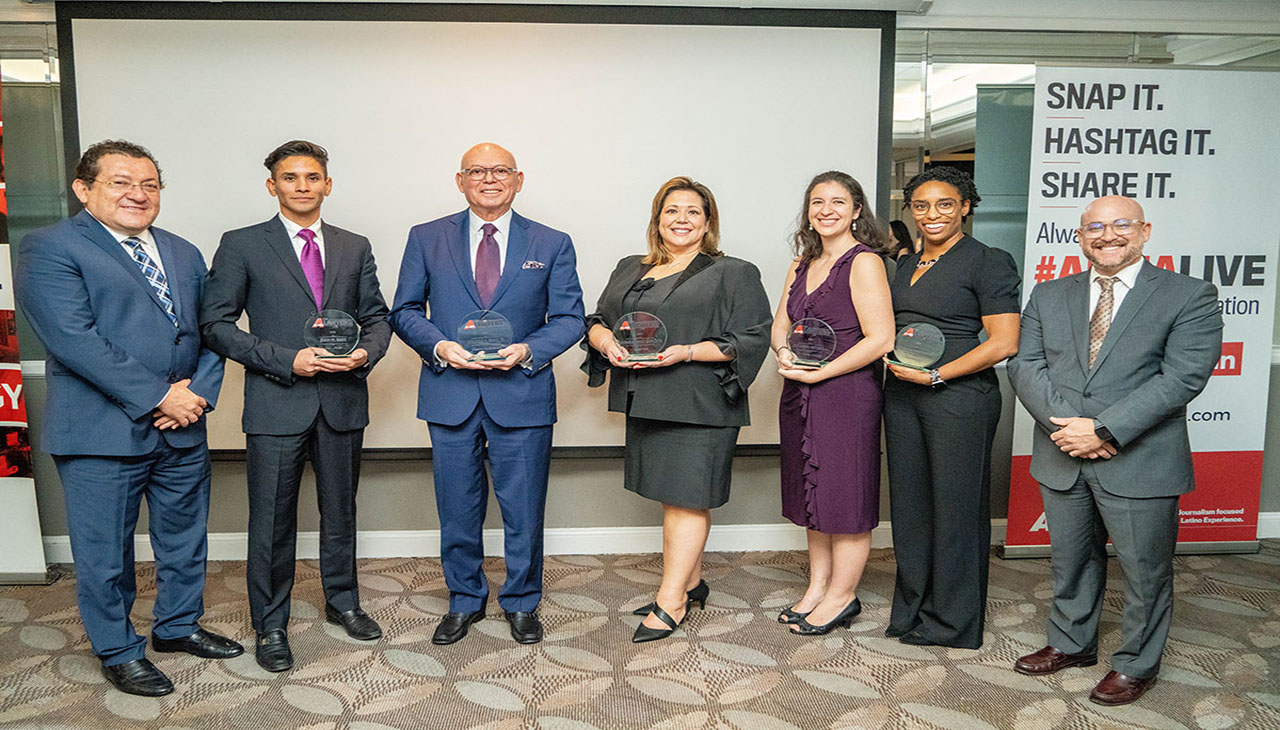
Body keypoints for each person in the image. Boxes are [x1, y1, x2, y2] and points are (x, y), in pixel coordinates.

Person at [15, 140, 240, 696]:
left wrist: (200, 395)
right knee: (105, 554)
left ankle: (178, 626)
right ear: (83, 189)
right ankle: (118, 650)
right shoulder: (49, 247)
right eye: (120, 182)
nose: (137, 195)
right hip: (99, 431)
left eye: (149, 185)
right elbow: (74, 340)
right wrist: (161, 396)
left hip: (183, 425)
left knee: (185, 540)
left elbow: (215, 328)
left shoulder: (183, 252)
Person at [1007, 196, 1222, 706]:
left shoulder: (1188, 294)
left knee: (1146, 570)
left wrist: (1103, 429)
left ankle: (1136, 664)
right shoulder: (1049, 293)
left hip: (1140, 457)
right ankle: (1071, 642)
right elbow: (1025, 365)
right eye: (1095, 227)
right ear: (1080, 237)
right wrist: (1071, 429)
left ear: (1145, 231)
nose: (1108, 235)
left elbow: (1183, 376)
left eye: (1121, 225)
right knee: (1072, 560)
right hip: (1063, 451)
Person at [200, 140, 391, 672]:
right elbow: (215, 325)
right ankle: (271, 624)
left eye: (312, 177)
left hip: (342, 402)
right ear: (273, 186)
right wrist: (287, 361)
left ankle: (343, 602)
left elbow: (377, 317)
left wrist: (362, 355)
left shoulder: (354, 246)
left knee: (341, 512)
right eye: (290, 178)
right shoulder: (242, 244)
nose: (302, 186)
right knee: (271, 520)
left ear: (328, 184)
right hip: (276, 402)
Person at [390, 143, 584, 646]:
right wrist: (440, 346)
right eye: (478, 171)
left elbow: (568, 318)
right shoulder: (426, 237)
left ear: (518, 180)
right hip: (450, 390)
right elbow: (405, 310)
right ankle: (464, 600)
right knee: (457, 506)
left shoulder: (552, 242)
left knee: (523, 509)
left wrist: (527, 350)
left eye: (500, 171)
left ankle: (521, 602)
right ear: (460, 181)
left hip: (520, 392)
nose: (489, 179)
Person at [583, 176, 771, 643]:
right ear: (657, 218)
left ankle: (672, 601)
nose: (681, 220)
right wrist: (605, 342)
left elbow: (751, 337)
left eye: (692, 212)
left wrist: (687, 351)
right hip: (645, 398)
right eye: (672, 211)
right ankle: (690, 581)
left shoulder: (733, 272)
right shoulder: (632, 267)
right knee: (672, 499)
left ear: (708, 222)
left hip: (699, 402)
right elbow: (599, 320)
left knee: (687, 500)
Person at [883, 166, 1020, 649]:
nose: (932, 215)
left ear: (965, 207)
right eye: (921, 206)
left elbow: (1004, 341)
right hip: (902, 395)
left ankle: (954, 622)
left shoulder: (988, 260)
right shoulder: (904, 263)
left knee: (956, 510)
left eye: (945, 204)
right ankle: (914, 609)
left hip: (958, 398)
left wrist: (939, 374)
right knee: (911, 508)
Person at [772, 171, 894, 635]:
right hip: (799, 391)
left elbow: (880, 338)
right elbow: (779, 326)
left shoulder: (864, 263)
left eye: (838, 202)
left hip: (846, 395)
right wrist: (783, 354)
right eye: (817, 201)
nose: (826, 210)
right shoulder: (802, 262)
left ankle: (843, 597)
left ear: (857, 210)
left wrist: (824, 371)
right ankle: (817, 587)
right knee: (812, 497)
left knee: (845, 498)